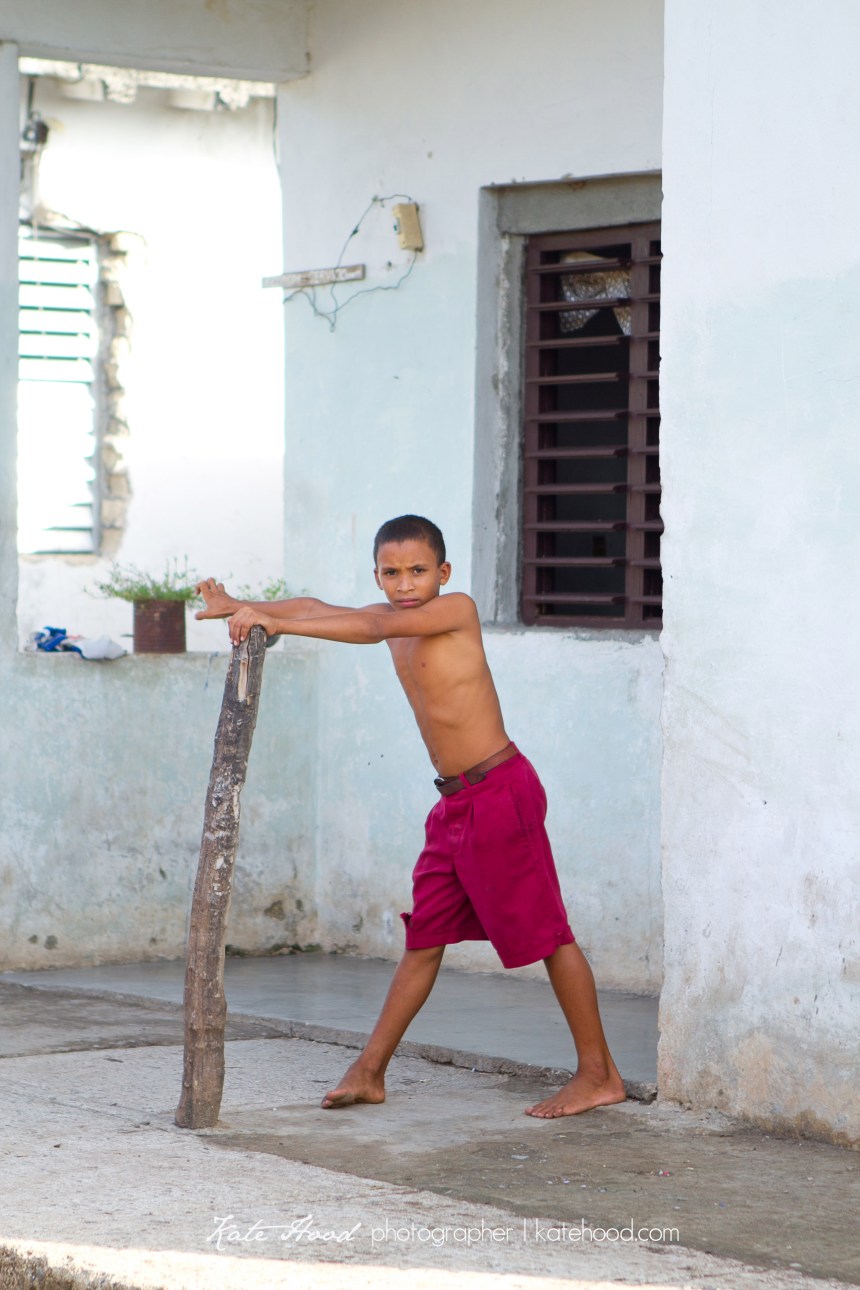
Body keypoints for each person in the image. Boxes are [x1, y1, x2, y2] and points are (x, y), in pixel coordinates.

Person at [196, 514, 625, 1118]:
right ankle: (369, 1072)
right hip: (454, 803)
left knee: (548, 934)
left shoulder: (454, 610)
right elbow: (320, 605)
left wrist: (276, 623)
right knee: (425, 936)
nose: (404, 584)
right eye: (391, 573)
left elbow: (368, 625)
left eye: (418, 571)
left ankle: (599, 1074)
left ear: (443, 573)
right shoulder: (393, 619)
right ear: (377, 574)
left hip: (500, 791)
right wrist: (241, 603)